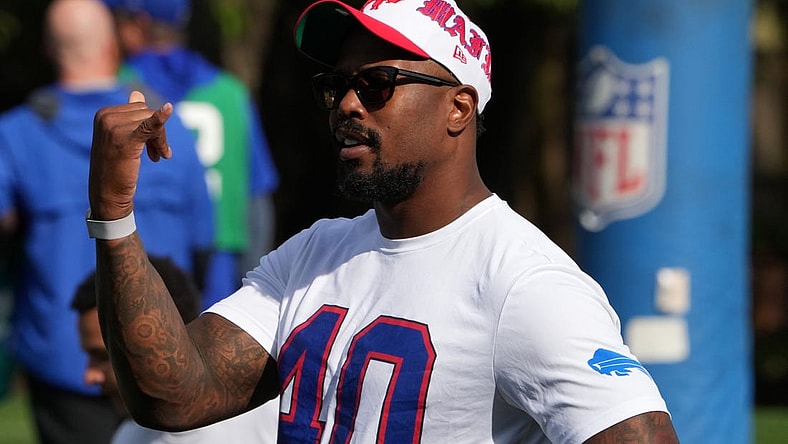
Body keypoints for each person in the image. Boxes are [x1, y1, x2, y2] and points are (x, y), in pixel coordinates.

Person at [87, 0, 681, 442]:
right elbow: (174, 397)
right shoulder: (314, 254)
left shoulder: (522, 281)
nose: (348, 103)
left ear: (458, 107)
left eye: (377, 83)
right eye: (337, 85)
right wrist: (114, 218)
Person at [0, 0, 214, 443]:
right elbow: (204, 244)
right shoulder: (169, 129)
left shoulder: (16, 134)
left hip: (67, 360)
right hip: (164, 353)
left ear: (47, 49)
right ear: (114, 43)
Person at [103, 0, 281, 309]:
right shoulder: (230, 92)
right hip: (219, 268)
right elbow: (257, 203)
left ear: (137, 24)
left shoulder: (114, 89)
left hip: (137, 258)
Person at [72, 255, 278, 444]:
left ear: (166, 345)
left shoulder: (278, 412)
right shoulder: (127, 438)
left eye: (102, 356)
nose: (89, 376)